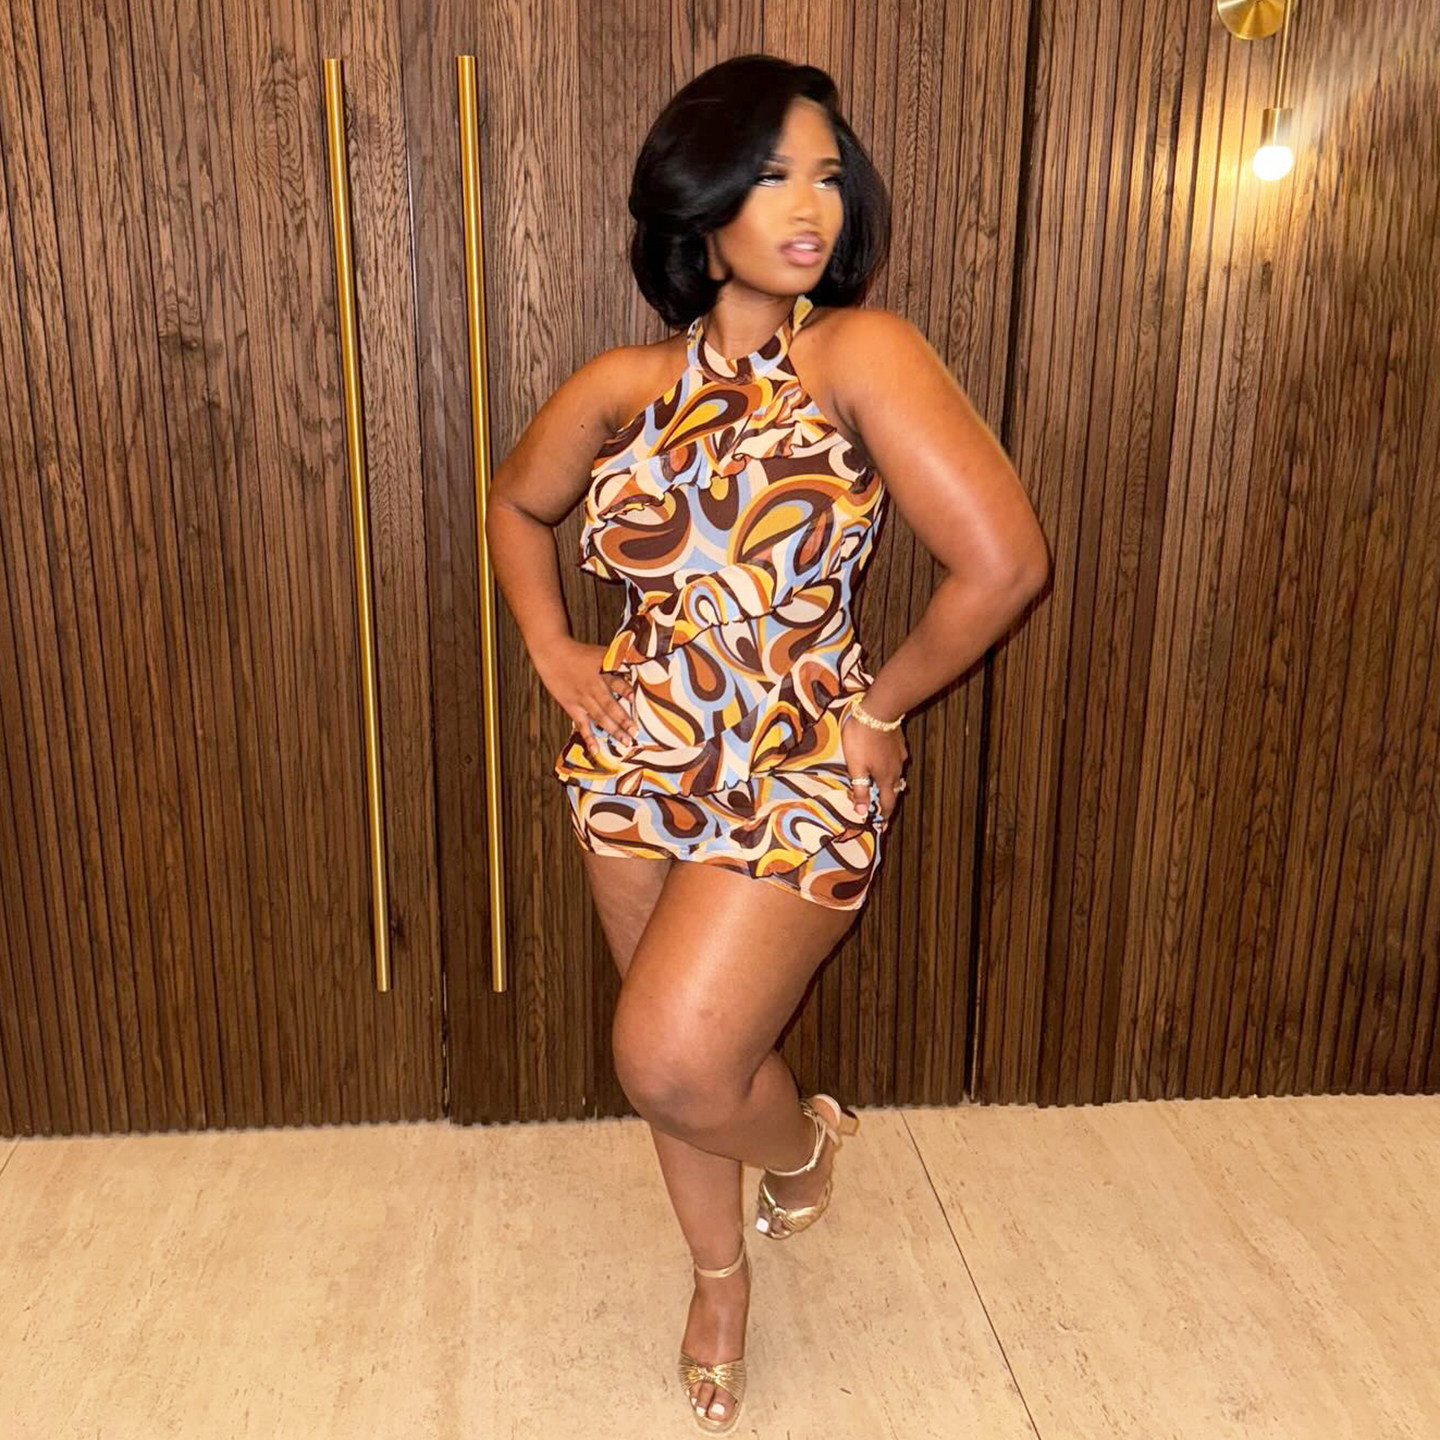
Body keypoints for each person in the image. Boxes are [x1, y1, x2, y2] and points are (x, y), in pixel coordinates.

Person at [486, 53, 1049, 1434]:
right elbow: (516, 506)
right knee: (672, 1068)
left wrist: (881, 707)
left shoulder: (856, 353)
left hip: (799, 758)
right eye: (775, 174)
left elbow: (1003, 565)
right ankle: (719, 1281)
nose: (813, 205)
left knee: (674, 1059)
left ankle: (801, 1150)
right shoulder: (622, 384)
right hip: (637, 757)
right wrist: (553, 648)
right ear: (702, 202)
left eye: (829, 175)